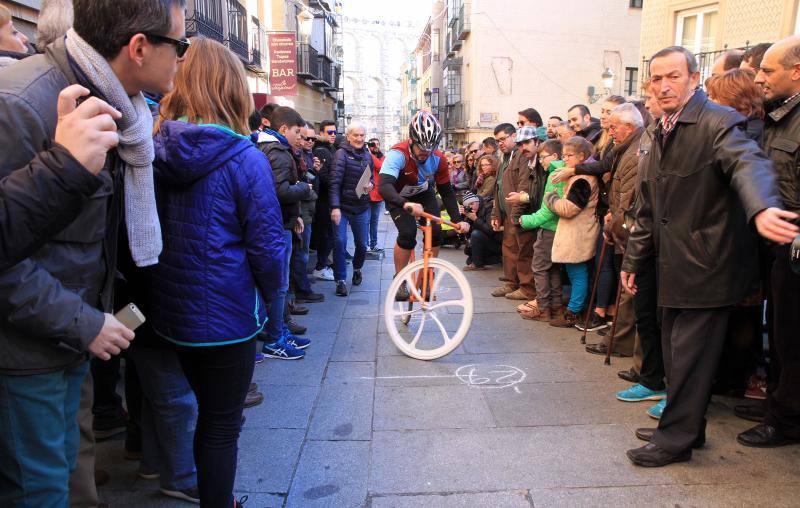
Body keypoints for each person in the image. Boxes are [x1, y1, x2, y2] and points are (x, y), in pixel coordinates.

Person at [0, 0, 188, 503]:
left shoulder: (123, 113)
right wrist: (86, 323)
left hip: (70, 339)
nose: (183, 59)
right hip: (27, 351)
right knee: (38, 489)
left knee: (68, 477)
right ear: (140, 47)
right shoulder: (22, 102)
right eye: (180, 46)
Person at [620, 46, 793, 467]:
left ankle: (675, 439)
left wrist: (763, 206)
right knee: (678, 356)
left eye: (673, 77)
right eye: (656, 78)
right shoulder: (660, 129)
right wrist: (633, 262)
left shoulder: (718, 121)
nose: (663, 86)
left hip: (706, 267)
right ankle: (687, 428)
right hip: (670, 267)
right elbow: (648, 206)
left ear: (694, 79)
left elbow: (748, 164)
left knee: (691, 359)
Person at [149, 36, 285, 507]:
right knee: (222, 424)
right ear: (232, 90)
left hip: (168, 308)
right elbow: (267, 247)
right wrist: (274, 306)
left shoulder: (154, 144)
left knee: (186, 407)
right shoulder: (244, 157)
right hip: (226, 315)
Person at [738, 36, 800, 448]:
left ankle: (786, 419)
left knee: (791, 336)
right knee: (779, 332)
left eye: (768, 70)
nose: (758, 77)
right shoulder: (780, 117)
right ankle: (777, 404)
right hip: (779, 245)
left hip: (795, 246)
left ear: (796, 72)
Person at [378, 111, 468, 299]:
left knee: (436, 232)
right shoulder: (397, 154)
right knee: (408, 233)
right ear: (411, 140)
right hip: (397, 195)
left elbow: (446, 192)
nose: (424, 154)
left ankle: (428, 276)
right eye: (421, 149)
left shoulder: (438, 158)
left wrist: (458, 220)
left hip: (423, 192)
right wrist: (405, 204)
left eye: (430, 149)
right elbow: (384, 186)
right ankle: (400, 279)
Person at [585, 103, 645, 359]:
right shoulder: (626, 149)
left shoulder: (633, 153)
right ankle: (618, 339)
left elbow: (629, 197)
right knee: (626, 289)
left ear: (629, 127)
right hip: (619, 222)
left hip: (629, 229)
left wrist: (613, 224)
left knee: (627, 289)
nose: (610, 134)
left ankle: (619, 342)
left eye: (614, 128)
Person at [256, 106, 313, 360]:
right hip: (277, 226)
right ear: (283, 129)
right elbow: (280, 191)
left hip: (282, 222)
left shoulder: (273, 148)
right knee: (278, 285)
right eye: (297, 132)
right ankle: (275, 338)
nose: (299, 138)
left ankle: (278, 332)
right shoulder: (277, 151)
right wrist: (303, 187)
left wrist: (296, 214)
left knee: (280, 284)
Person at [546, 136, 599, 328]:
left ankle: (573, 312)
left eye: (569, 155)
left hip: (578, 233)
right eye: (564, 155)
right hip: (575, 232)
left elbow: (569, 208)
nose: (565, 159)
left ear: (582, 156)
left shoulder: (583, 179)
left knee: (578, 273)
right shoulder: (578, 176)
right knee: (576, 271)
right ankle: (574, 309)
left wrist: (550, 199)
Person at [516, 139, 566, 321]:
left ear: (554, 156)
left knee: (539, 269)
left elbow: (549, 208)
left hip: (549, 229)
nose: (540, 161)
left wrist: (527, 220)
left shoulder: (555, 175)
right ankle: (556, 309)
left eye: (543, 157)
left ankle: (544, 310)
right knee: (551, 270)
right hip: (556, 229)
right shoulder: (559, 172)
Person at [490, 123, 536, 301]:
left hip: (519, 212)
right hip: (507, 212)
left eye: (502, 139)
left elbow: (524, 185)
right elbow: (499, 186)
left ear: (513, 136)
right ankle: (511, 283)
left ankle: (527, 288)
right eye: (497, 140)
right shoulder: (505, 157)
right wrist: (496, 213)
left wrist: (517, 214)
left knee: (524, 251)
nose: (500, 143)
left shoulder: (521, 156)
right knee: (509, 249)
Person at [330, 121, 374, 296]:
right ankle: (340, 280)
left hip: (362, 207)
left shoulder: (367, 154)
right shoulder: (341, 154)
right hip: (342, 207)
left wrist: (371, 184)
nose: (359, 138)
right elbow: (334, 183)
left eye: (362, 135)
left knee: (362, 245)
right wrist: (335, 207)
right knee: (340, 242)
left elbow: (371, 178)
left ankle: (357, 268)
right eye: (356, 135)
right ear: (348, 136)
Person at [291, 123, 324, 303]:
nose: (309, 141)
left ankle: (301, 284)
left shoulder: (308, 155)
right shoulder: (295, 155)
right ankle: (301, 289)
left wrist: (315, 171)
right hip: (300, 209)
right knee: (301, 251)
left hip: (308, 207)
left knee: (303, 250)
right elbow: (299, 182)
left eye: (313, 138)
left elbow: (308, 179)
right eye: (305, 137)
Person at [311, 120, 338, 281]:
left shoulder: (329, 149)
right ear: (321, 133)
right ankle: (320, 266)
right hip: (323, 200)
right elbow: (324, 177)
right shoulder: (322, 151)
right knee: (326, 234)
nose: (333, 135)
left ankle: (323, 264)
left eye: (335, 132)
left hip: (326, 199)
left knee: (327, 234)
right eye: (330, 132)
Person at [461, 190, 501, 270]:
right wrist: (465, 220)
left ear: (477, 201)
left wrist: (475, 219)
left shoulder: (488, 207)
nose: (471, 207)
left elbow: (491, 230)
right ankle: (497, 259)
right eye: (468, 205)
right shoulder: (471, 212)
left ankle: (478, 265)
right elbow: (469, 235)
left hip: (497, 241)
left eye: (472, 204)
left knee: (476, 234)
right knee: (469, 260)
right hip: (486, 242)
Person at [367, 137, 385, 253]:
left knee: (374, 221)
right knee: (365, 221)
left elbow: (380, 167)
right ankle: (366, 245)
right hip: (366, 193)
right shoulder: (364, 156)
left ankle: (374, 244)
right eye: (373, 145)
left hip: (377, 194)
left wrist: (370, 155)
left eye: (377, 144)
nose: (375, 146)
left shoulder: (382, 157)